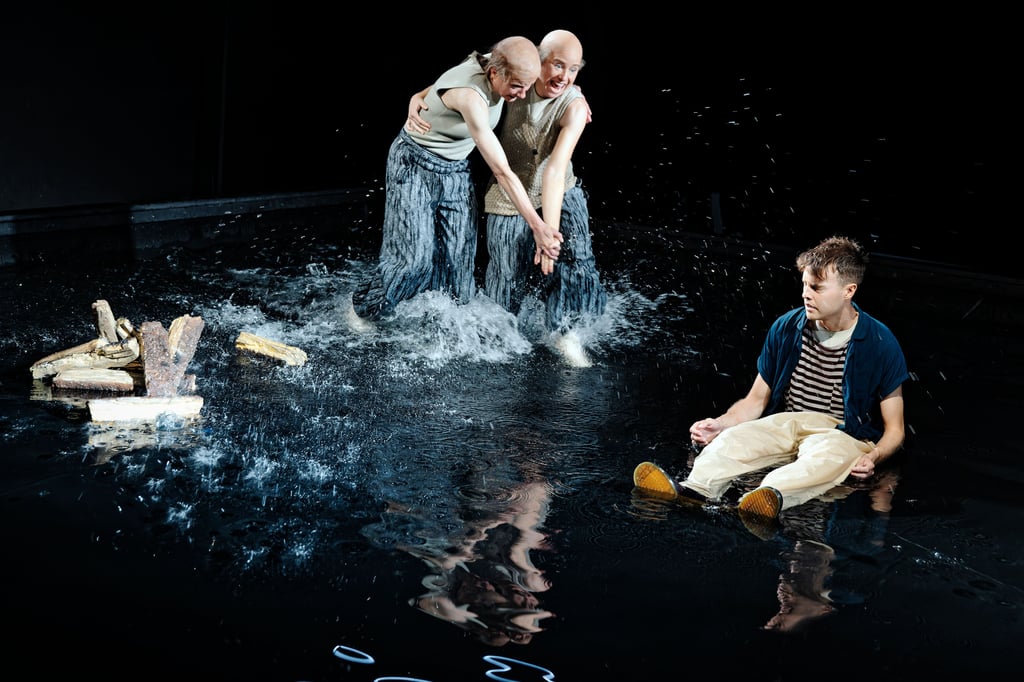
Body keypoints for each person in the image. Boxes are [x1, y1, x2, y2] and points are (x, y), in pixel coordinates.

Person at [632, 235, 909, 525]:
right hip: (787, 422)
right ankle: (695, 488)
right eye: (804, 285)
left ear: (848, 290)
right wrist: (721, 423)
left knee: (824, 458)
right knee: (735, 439)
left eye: (816, 287)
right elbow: (756, 400)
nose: (806, 294)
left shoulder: (879, 341)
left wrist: (874, 457)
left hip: (840, 433)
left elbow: (896, 430)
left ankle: (768, 494)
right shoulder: (787, 327)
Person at [407, 30, 606, 367]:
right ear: (538, 60)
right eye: (558, 65)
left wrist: (549, 235)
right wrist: (418, 96)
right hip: (508, 194)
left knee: (576, 260)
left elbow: (554, 172)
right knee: (506, 267)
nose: (564, 77)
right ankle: (498, 336)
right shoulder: (512, 82)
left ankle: (565, 332)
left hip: (560, 189)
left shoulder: (573, 104)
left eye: (573, 70)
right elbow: (456, 84)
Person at [349, 37, 563, 325]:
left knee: (459, 262)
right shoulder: (471, 96)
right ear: (494, 73)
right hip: (415, 163)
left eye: (528, 85)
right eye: (516, 87)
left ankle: (437, 323)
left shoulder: (497, 59)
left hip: (455, 170)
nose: (524, 95)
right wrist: (537, 225)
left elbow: (437, 88)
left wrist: (572, 95)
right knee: (414, 260)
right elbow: (501, 171)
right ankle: (363, 310)